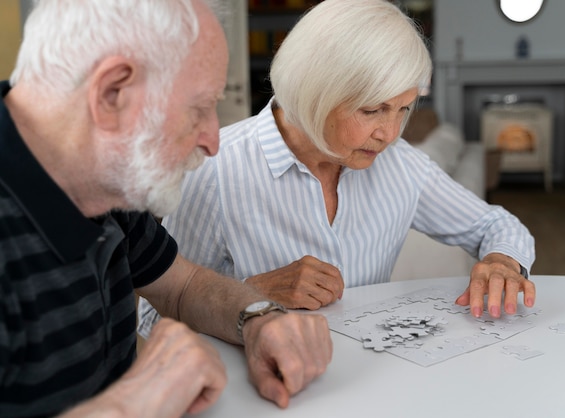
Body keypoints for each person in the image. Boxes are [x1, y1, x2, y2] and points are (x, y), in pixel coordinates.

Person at [0, 1, 332, 417]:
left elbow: (183, 285)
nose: (213, 141)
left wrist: (256, 319)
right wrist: (130, 404)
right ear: (112, 93)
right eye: (199, 109)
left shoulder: (105, 169)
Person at [138, 0, 537, 340]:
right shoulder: (216, 172)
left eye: (403, 109)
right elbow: (150, 322)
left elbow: (496, 226)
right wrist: (249, 294)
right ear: (314, 92)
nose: (390, 133)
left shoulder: (400, 165)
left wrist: (501, 262)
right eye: (372, 109)